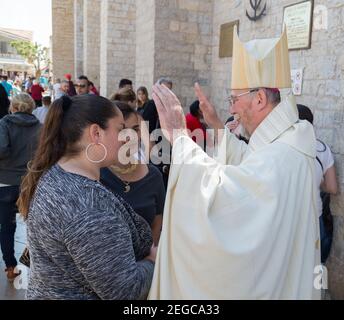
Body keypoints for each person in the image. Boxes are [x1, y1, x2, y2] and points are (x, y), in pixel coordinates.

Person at [148, 26, 320, 300]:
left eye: (234, 99)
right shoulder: (290, 140)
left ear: (260, 99)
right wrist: (216, 124)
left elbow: (226, 198)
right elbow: (252, 163)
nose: (232, 108)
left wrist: (180, 139)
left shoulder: (282, 156)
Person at [17, 94, 156, 300]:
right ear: (96, 133)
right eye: (119, 129)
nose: (127, 137)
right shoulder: (88, 206)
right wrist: (152, 261)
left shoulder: (55, 174)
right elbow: (125, 290)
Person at [101, 102, 165, 245]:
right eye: (122, 130)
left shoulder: (154, 176)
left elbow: (157, 222)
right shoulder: (95, 174)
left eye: (136, 129)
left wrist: (147, 258)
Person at [0, 94, 41, 282]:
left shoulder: (4, 124)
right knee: (36, 226)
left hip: (5, 183)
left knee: (7, 227)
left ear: (13, 107)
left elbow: (2, 149)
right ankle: (37, 265)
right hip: (31, 183)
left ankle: (10, 266)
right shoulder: (40, 127)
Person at [297, 104, 338, 264]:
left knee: (295, 271)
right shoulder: (322, 149)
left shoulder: (283, 150)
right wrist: (319, 182)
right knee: (317, 266)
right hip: (316, 217)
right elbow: (333, 188)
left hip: (293, 220)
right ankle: (318, 288)